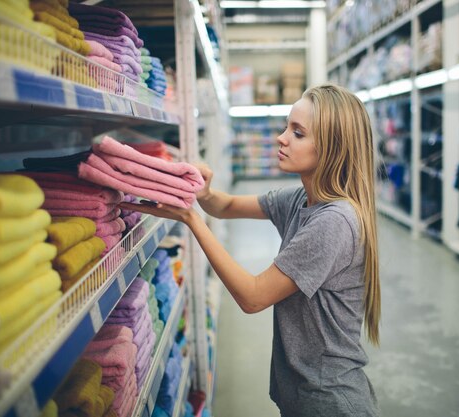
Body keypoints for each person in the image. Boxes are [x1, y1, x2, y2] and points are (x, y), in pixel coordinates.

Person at [120, 84, 381, 417]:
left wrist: (191, 219)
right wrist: (202, 191)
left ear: (331, 148)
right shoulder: (302, 198)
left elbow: (253, 296)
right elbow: (226, 205)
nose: (281, 138)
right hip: (305, 393)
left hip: (329, 400)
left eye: (297, 133)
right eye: (287, 127)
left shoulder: (335, 222)